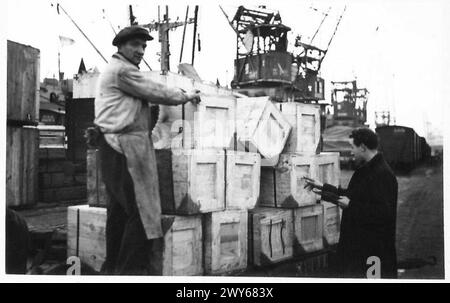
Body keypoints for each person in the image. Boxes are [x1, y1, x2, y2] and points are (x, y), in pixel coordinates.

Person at [93, 25, 200, 275]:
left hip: (112, 146)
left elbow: (145, 94)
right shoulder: (123, 71)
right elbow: (156, 91)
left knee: (119, 212)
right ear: (120, 47)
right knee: (141, 213)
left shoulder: (117, 70)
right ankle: (129, 273)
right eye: (135, 45)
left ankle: (112, 270)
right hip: (124, 148)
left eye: (143, 46)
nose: (141, 51)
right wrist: (186, 94)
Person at [305, 128, 398, 278]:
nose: (351, 152)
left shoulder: (382, 174)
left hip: (372, 254)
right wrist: (322, 187)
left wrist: (351, 206)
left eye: (352, 147)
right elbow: (350, 195)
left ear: (362, 147)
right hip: (362, 248)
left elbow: (383, 213)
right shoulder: (369, 170)